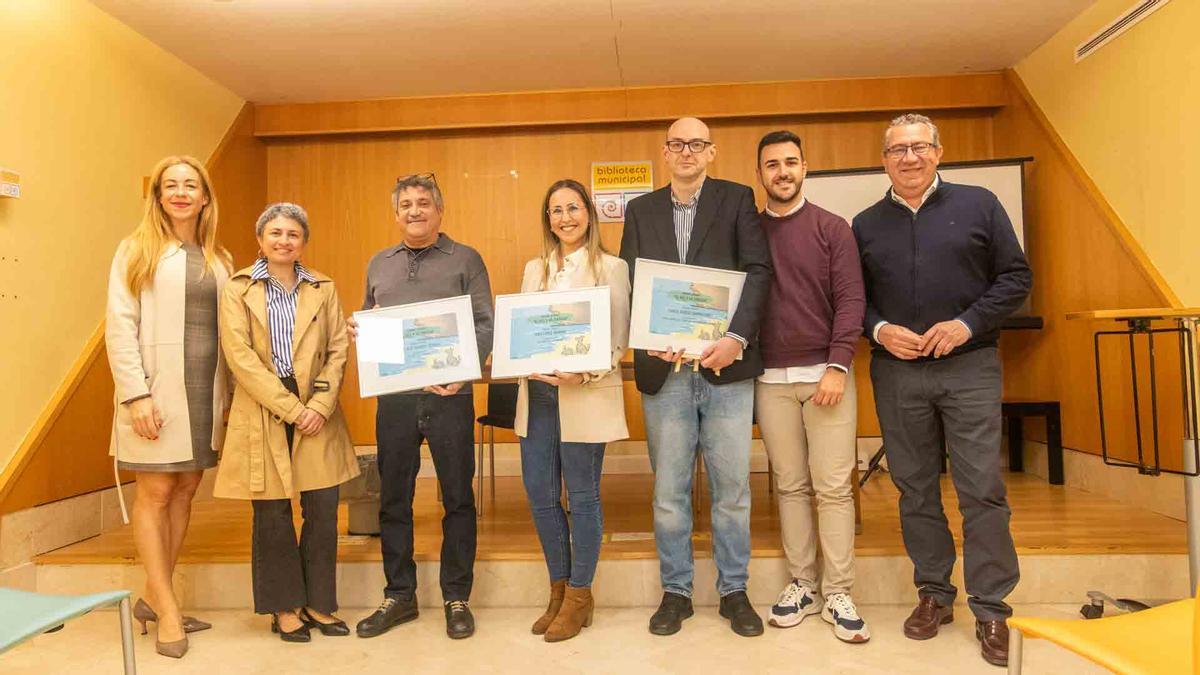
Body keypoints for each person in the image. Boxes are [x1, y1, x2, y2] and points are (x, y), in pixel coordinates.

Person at [853, 113, 1032, 667]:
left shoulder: (979, 204)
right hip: (897, 371)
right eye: (898, 149)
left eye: (919, 147)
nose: (909, 157)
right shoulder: (863, 224)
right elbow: (850, 299)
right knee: (915, 488)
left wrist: (967, 324)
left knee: (981, 488)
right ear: (884, 159)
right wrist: (880, 329)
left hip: (969, 366)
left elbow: (1015, 278)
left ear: (938, 152)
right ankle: (933, 593)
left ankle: (992, 608)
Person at [618, 117, 772, 637]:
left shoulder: (736, 199)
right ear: (664, 153)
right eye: (678, 144)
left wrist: (737, 340)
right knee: (669, 490)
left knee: (732, 488)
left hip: (726, 367)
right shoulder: (640, 210)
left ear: (712, 152)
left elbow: (758, 271)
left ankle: (734, 591)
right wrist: (646, 332)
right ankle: (676, 591)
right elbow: (633, 281)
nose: (687, 152)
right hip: (665, 369)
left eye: (697, 144)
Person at [354, 173, 493, 640]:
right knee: (394, 499)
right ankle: (400, 595)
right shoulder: (379, 263)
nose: (415, 211)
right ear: (396, 214)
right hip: (395, 400)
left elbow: (484, 324)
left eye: (423, 203)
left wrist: (461, 373)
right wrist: (363, 334)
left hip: (450, 397)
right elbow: (370, 321)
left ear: (439, 210)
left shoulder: (466, 259)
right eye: (406, 205)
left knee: (458, 498)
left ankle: (457, 596)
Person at [213, 202, 360, 643]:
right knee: (273, 512)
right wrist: (292, 409)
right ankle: (283, 608)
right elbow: (239, 358)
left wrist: (319, 403)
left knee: (322, 509)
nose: (283, 240)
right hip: (263, 405)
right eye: (274, 233)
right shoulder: (238, 289)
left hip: (319, 407)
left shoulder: (323, 288)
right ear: (260, 239)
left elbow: (337, 349)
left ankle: (318, 602)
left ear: (303, 241)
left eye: (293, 234)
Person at [105, 155, 232, 659]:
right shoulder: (135, 250)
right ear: (157, 196)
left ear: (205, 197)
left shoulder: (219, 256)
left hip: (204, 392)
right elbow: (119, 324)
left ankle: (152, 598)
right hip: (154, 393)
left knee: (185, 490)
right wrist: (135, 394)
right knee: (156, 492)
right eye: (170, 186)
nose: (181, 193)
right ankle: (168, 609)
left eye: (191, 185)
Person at [753, 131, 869, 642]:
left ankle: (839, 591)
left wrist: (837, 365)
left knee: (833, 488)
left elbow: (851, 302)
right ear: (760, 173)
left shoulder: (833, 229)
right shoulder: (750, 232)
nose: (782, 171)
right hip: (769, 381)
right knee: (790, 486)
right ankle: (802, 583)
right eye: (772, 164)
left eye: (790, 162)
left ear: (805, 168)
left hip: (826, 378)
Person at [515, 179, 630, 642]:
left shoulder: (612, 267)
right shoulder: (533, 268)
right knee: (541, 497)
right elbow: (523, 331)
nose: (565, 217)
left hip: (584, 394)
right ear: (547, 218)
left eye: (573, 208)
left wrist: (582, 375)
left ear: (589, 213)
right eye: (556, 210)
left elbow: (617, 339)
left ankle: (580, 595)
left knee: (582, 497)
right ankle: (558, 589)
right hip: (538, 397)